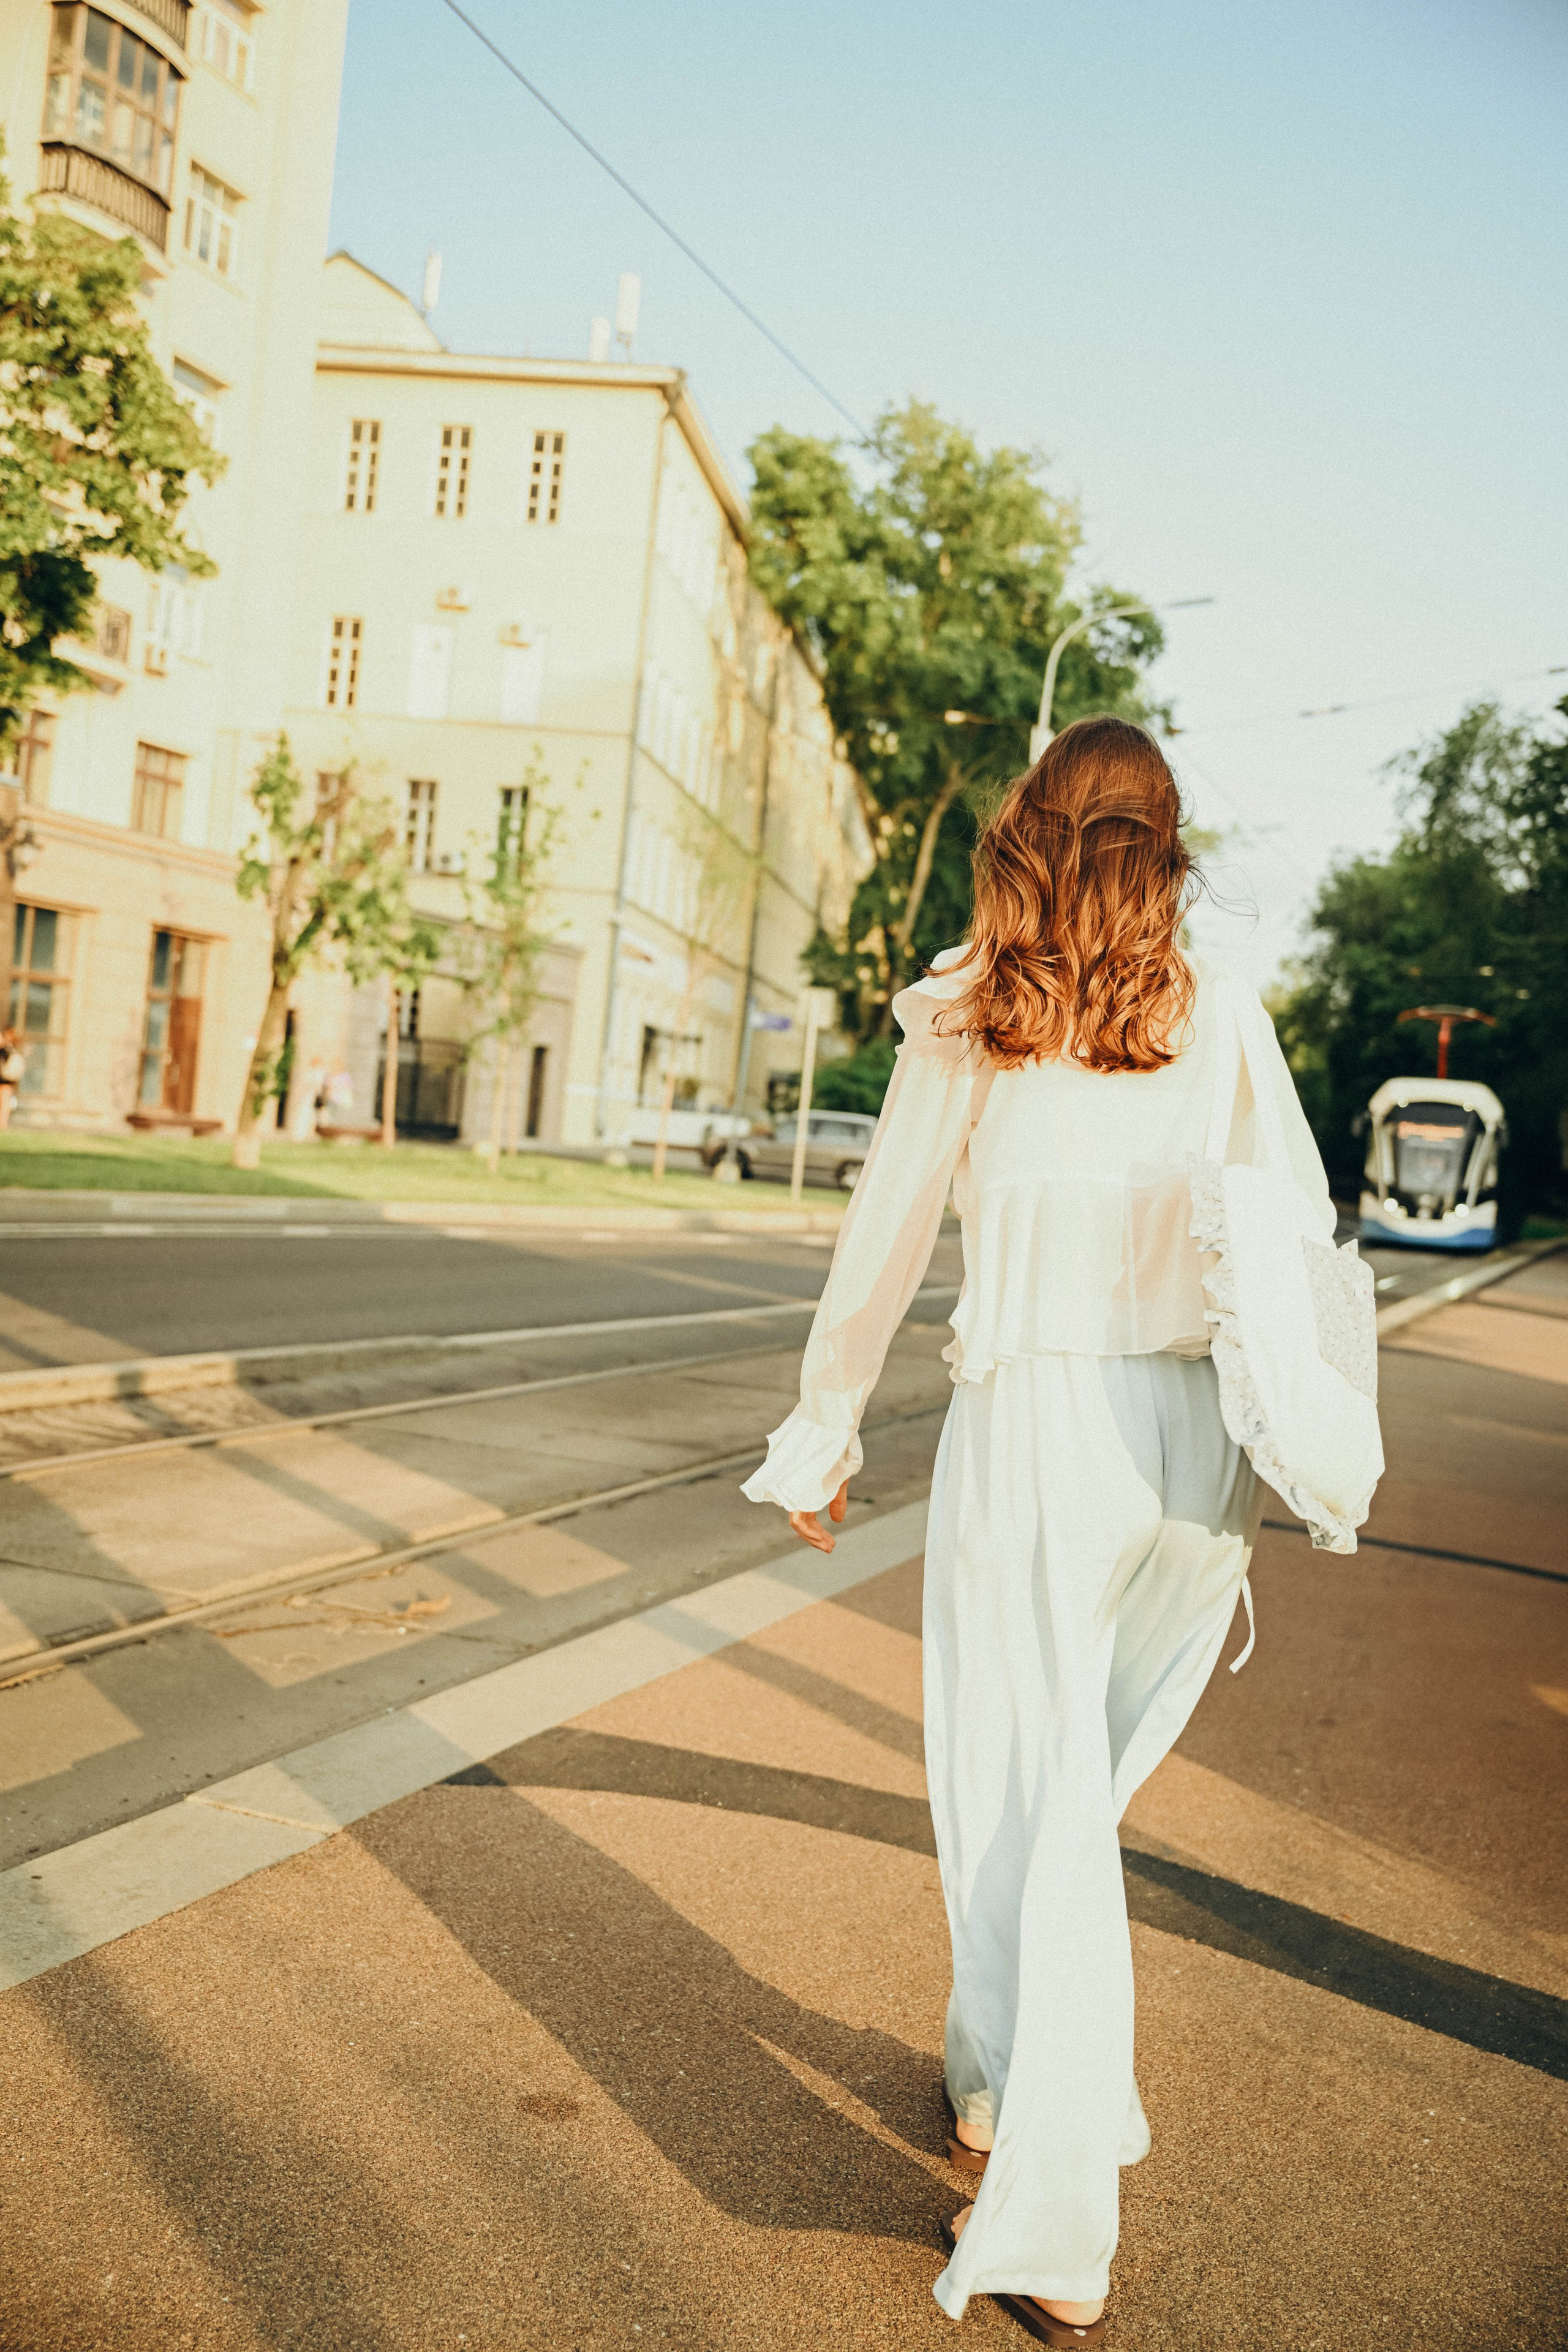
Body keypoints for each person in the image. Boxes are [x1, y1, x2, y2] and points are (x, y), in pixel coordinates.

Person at [742, 715, 1336, 2345]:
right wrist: (1302, 1451)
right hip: (1188, 1450)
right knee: (1067, 1785)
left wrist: (823, 1430)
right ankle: (1001, 2073)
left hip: (1040, 1425)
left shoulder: (971, 1005)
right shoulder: (1214, 1015)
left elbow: (885, 1237)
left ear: (1033, 829)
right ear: (1162, 843)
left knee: (1033, 1795)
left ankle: (1060, 2210)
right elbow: (1293, 1234)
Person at [0, 1028, 26, 1128]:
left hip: (6, 1080)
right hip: (6, 1080)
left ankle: (3, 1123)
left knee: (5, 1103)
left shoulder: (7, 1050)